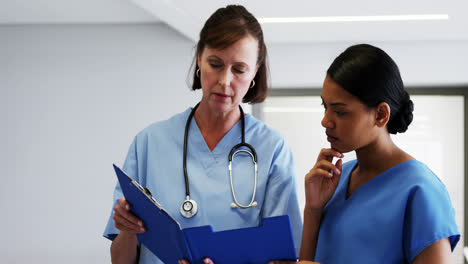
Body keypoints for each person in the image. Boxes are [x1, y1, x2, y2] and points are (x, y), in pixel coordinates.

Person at [103, 5, 303, 264]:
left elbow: (283, 258)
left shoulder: (272, 149)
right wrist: (128, 229)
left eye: (239, 69)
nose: (225, 80)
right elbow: (121, 261)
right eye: (215, 64)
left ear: (255, 71)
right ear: (199, 58)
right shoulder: (150, 144)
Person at [271, 44, 460, 264]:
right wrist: (313, 209)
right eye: (325, 107)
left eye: (340, 111)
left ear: (380, 115)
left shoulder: (421, 190)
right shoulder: (336, 178)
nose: (325, 121)